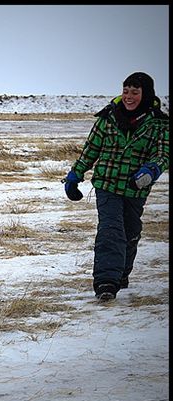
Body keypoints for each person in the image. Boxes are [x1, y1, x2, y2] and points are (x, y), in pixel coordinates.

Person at [63, 71, 169, 302]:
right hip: (107, 185)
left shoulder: (159, 123)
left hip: (135, 188)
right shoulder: (107, 118)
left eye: (135, 92)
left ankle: (121, 274)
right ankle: (106, 282)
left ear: (146, 94)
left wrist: (151, 169)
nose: (129, 97)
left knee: (131, 232)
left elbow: (163, 153)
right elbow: (90, 150)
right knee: (111, 230)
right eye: (125, 91)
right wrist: (75, 175)